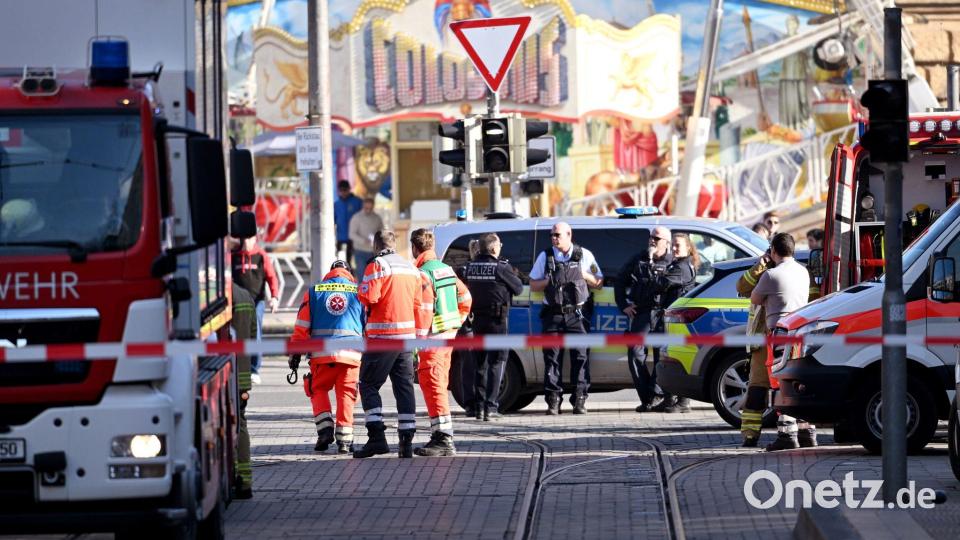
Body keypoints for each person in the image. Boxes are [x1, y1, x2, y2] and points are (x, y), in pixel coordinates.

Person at [353, 230, 431, 459]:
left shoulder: (377, 265)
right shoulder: (411, 268)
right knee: (404, 387)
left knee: (368, 384)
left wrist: (362, 287)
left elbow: (369, 297)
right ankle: (406, 441)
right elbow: (418, 302)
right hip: (406, 338)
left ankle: (377, 437)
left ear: (376, 246)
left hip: (382, 337)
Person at [745, 233, 814, 451]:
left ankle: (786, 436)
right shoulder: (803, 271)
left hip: (778, 334)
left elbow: (754, 299)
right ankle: (807, 433)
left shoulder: (771, 275)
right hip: (801, 333)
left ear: (773, 251)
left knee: (779, 384)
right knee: (798, 382)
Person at [288, 260, 363, 454]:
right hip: (351, 355)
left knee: (318, 389)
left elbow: (302, 326)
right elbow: (368, 324)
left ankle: (325, 430)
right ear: (349, 273)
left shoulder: (314, 292)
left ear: (331, 273)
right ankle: (345, 441)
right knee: (346, 394)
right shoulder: (358, 291)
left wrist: (295, 353)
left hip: (321, 355)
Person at [529, 222, 603, 415]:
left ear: (569, 234)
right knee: (552, 358)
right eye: (552, 235)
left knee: (581, 357)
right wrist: (551, 279)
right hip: (553, 314)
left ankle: (579, 400)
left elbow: (599, 282)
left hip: (577, 315)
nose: (554, 238)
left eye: (558, 235)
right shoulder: (545, 256)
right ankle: (553, 401)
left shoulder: (584, 255)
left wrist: (583, 274)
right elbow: (533, 285)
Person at [410, 228, 472, 456]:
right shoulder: (446, 270)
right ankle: (440, 435)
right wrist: (455, 324)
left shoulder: (423, 274)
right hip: (447, 336)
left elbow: (424, 311)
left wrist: (416, 344)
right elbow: (466, 298)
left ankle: (444, 439)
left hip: (432, 339)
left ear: (414, 248)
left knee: (433, 385)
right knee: (438, 385)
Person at [463, 233, 524, 420]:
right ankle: (491, 407)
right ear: (494, 248)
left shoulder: (469, 268)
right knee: (497, 363)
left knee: (479, 364)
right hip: (497, 321)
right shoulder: (501, 268)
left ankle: (479, 407)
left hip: (476, 321)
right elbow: (519, 288)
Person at [615, 226, 673, 413]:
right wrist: (623, 304)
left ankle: (655, 395)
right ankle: (646, 396)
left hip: (663, 314)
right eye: (651, 237)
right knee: (635, 353)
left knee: (660, 357)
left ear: (667, 242)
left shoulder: (672, 262)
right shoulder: (639, 258)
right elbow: (620, 280)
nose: (652, 241)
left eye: (657, 238)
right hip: (642, 313)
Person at [651, 233, 700, 413]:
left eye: (678, 245)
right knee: (669, 358)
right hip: (674, 318)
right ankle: (670, 398)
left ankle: (683, 402)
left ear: (688, 248)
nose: (673, 249)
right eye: (672, 245)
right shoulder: (678, 264)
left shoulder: (682, 267)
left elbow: (660, 284)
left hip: (679, 321)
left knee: (677, 358)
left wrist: (655, 275)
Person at [230, 236, 280, 385]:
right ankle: (239, 367)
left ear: (254, 240)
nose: (245, 242)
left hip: (257, 301)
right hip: (238, 302)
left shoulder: (261, 256)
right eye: (243, 239)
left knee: (255, 332)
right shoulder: (233, 256)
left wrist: (275, 297)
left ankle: (254, 369)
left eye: (249, 239)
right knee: (237, 333)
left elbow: (272, 277)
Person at [230, 284, 256, 499]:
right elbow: (254, 334)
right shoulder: (245, 295)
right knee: (240, 424)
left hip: (223, 372)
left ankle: (232, 475)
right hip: (242, 376)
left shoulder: (213, 294)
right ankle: (245, 482)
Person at [349, 197, 383, 271]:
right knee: (361, 274)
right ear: (363, 206)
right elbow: (351, 234)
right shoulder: (356, 218)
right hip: (360, 251)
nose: (368, 210)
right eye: (366, 208)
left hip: (373, 251)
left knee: (373, 274)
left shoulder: (377, 218)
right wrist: (363, 241)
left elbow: (381, 232)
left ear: (373, 207)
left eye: (370, 208)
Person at [334, 180, 363, 266]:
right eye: (341, 190)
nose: (343, 192)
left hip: (355, 236)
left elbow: (362, 218)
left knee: (355, 259)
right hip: (341, 236)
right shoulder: (336, 204)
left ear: (349, 189)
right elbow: (334, 220)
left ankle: (354, 274)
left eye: (345, 190)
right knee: (341, 259)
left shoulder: (357, 202)